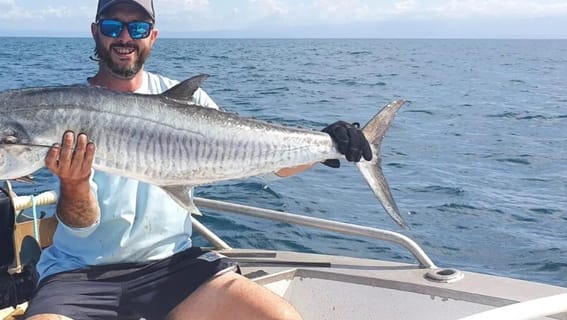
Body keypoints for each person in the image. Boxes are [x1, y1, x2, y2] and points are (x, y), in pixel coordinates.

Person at [24, 1, 372, 319]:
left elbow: (269, 160)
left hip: (172, 266)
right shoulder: (66, 108)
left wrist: (329, 143)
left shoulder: (192, 102)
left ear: (153, 37)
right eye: (114, 27)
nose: (125, 37)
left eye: (138, 28)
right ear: (96, 32)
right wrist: (74, 182)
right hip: (79, 272)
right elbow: (80, 224)